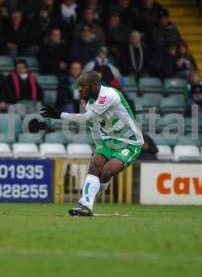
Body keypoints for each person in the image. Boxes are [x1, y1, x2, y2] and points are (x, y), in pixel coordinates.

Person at [41, 71, 143, 216]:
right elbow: (94, 127)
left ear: (94, 85)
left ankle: (91, 197)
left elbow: (86, 117)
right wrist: (98, 148)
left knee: (106, 172)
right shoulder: (90, 104)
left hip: (130, 142)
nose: (79, 89)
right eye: (79, 86)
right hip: (108, 140)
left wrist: (59, 115)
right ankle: (85, 205)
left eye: (83, 86)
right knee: (95, 165)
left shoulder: (108, 96)